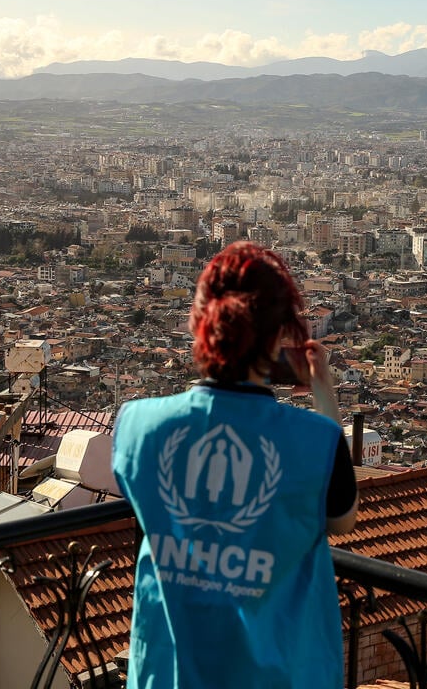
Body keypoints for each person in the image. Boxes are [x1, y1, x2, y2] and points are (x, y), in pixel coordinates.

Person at [113, 241, 358, 689]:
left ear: (199, 325)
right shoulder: (317, 442)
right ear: (278, 335)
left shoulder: (137, 426)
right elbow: (341, 520)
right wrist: (323, 390)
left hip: (167, 675)